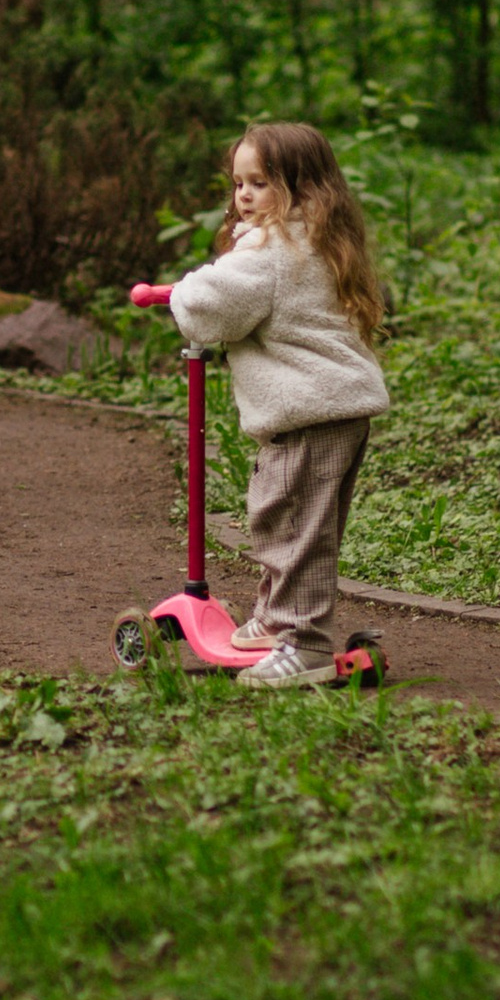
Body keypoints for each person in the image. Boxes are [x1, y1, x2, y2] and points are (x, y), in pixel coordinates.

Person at [139, 121, 390, 689]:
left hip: (310, 415)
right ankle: (278, 620)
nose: (243, 196)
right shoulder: (318, 240)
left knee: (289, 526)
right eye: (238, 183)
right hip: (337, 412)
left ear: (302, 190)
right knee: (295, 522)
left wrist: (177, 293)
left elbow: (212, 304)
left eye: (260, 182)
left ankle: (304, 646)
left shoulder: (269, 250)